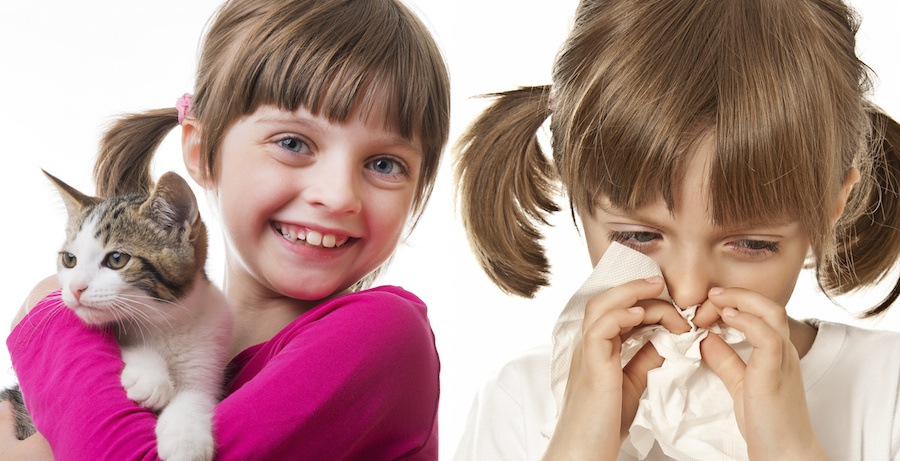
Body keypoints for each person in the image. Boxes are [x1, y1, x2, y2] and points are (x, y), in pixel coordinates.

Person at [0, 0, 449, 459]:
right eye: (293, 143)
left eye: (384, 163)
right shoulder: (132, 330)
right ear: (201, 151)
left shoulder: (384, 337)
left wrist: (44, 311)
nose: (337, 196)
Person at [452, 0, 900, 459]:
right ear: (574, 187)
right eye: (639, 236)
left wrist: (791, 449)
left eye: (751, 244)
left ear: (833, 204)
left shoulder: (886, 394)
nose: (687, 292)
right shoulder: (521, 406)